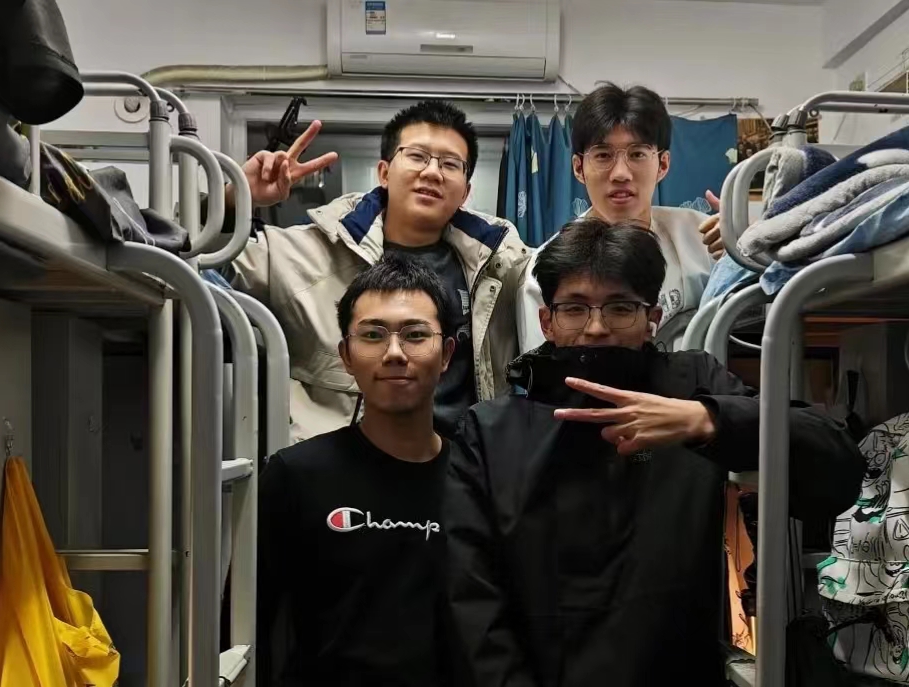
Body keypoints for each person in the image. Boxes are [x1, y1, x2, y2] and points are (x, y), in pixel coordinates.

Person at [446, 218, 865, 687]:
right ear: (547, 321)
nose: (596, 327)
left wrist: (706, 419)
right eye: (575, 308)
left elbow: (838, 468)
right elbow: (472, 595)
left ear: (653, 318)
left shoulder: (693, 385)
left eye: (620, 307)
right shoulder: (490, 431)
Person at [228, 101, 531, 442]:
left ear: (465, 192)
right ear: (384, 173)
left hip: (462, 462)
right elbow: (200, 275)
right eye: (417, 156)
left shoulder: (500, 265)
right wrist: (232, 201)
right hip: (345, 463)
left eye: (450, 164)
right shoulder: (305, 253)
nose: (432, 172)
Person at [257, 253, 462, 686]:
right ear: (346, 355)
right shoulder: (295, 475)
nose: (394, 353)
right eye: (372, 335)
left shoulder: (476, 478)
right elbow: (246, 621)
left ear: (446, 354)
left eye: (415, 335)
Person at [516, 83, 727, 353]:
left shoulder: (703, 235)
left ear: (663, 164)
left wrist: (744, 253)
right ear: (578, 168)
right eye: (603, 155)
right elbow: (540, 367)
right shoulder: (548, 268)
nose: (620, 174)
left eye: (637, 154)